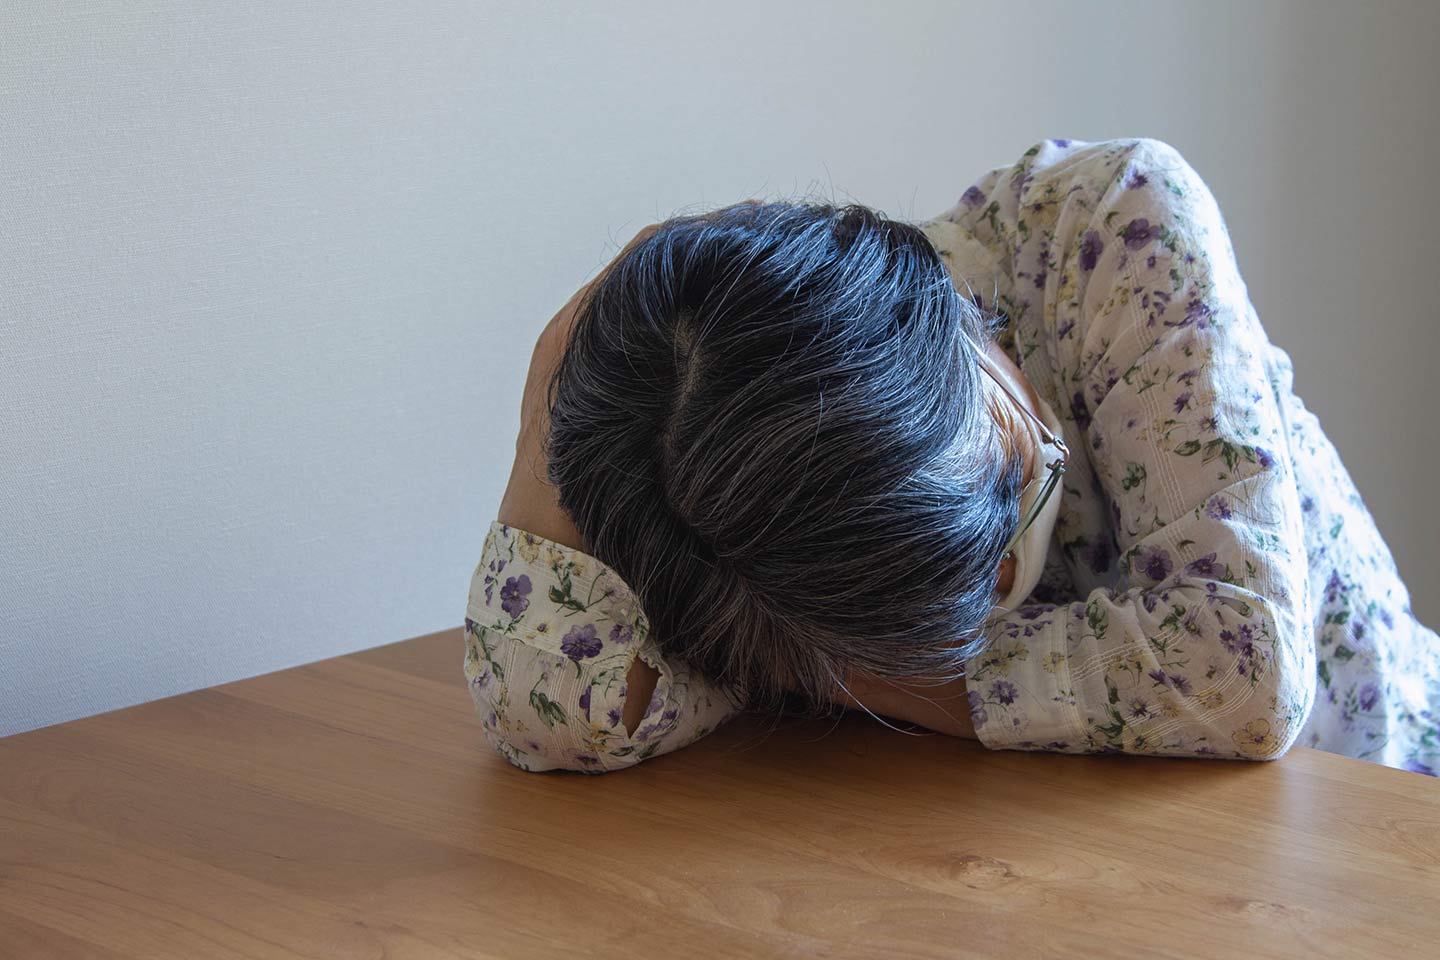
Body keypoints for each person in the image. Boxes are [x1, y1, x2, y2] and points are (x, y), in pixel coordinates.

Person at [465, 137, 1440, 777]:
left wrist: (819, 667)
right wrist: (547, 418)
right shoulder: (711, 501)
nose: (1008, 576)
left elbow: (1240, 676)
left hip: (1379, 791)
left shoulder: (1110, 227)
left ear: (962, 331)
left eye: (1015, 476)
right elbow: (557, 714)